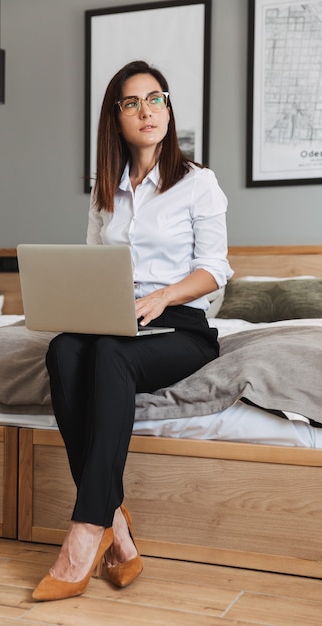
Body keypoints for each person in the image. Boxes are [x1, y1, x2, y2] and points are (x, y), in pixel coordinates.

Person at [32, 60, 233, 602]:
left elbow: (215, 269)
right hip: (114, 321)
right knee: (64, 352)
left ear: (168, 109)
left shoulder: (198, 183)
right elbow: (96, 265)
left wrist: (164, 295)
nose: (147, 111)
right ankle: (115, 527)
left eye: (156, 98)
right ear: (115, 118)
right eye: (132, 102)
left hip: (179, 326)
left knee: (109, 361)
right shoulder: (106, 188)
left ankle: (86, 531)